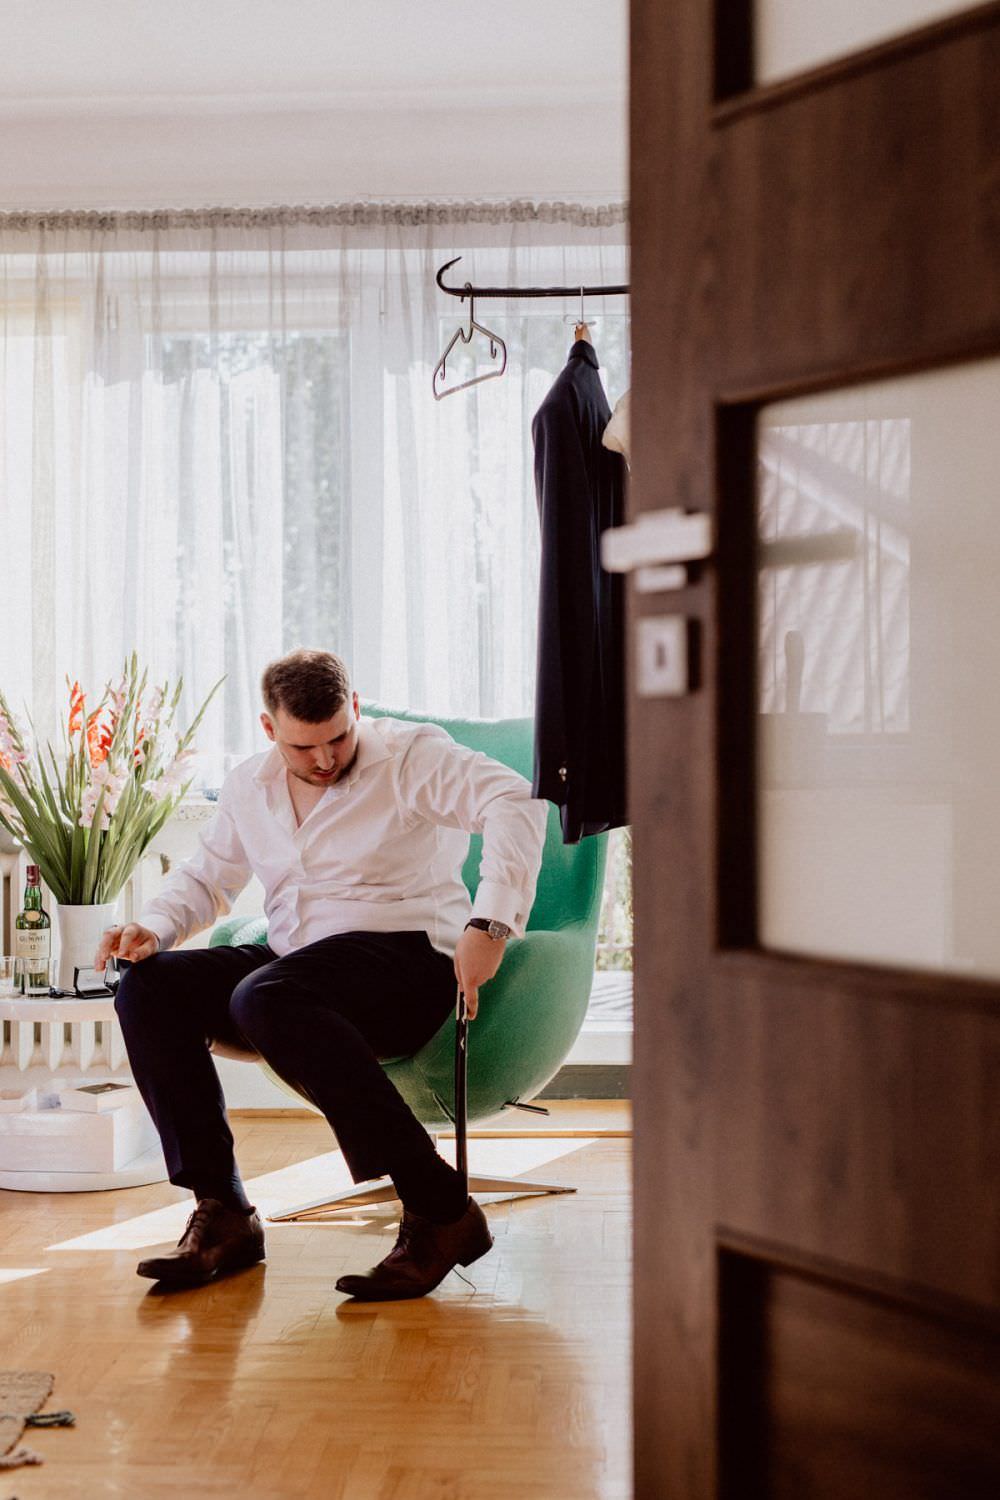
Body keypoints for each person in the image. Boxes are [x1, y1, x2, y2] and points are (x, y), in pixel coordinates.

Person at [98, 649, 547, 1301]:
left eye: (339, 737)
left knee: (268, 995)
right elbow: (208, 875)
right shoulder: (251, 785)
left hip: (407, 960)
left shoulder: (411, 756)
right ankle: (223, 1212)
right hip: (297, 971)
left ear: (356, 709)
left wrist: (492, 923)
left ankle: (440, 1209)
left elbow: (515, 800)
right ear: (268, 728)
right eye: (304, 746)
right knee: (150, 987)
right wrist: (156, 927)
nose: (325, 759)